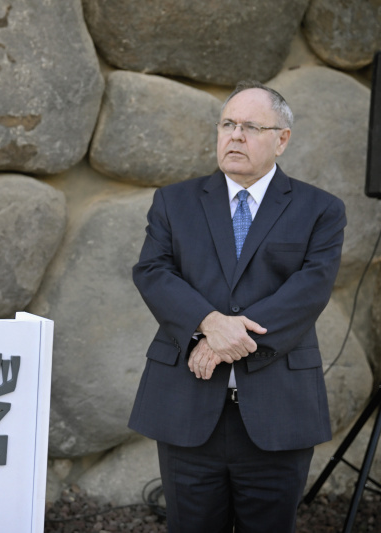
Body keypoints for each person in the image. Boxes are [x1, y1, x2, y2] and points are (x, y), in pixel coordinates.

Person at [129, 81, 346, 532]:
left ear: (281, 139)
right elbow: (152, 271)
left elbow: (310, 289)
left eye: (250, 126)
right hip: (187, 404)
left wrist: (226, 340)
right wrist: (208, 323)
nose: (235, 135)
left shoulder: (320, 210)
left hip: (278, 409)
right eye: (227, 124)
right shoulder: (174, 201)